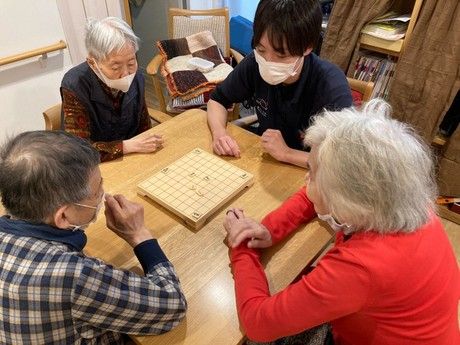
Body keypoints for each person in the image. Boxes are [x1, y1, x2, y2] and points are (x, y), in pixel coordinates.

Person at [223, 99, 460, 344]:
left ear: (347, 201)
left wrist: (241, 245)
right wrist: (269, 229)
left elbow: (258, 324)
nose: (306, 179)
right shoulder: (403, 197)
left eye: (312, 173)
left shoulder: (361, 266)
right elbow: (315, 193)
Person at [0, 131, 187, 344]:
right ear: (63, 216)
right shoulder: (74, 276)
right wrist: (139, 235)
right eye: (97, 191)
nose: (103, 195)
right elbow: (173, 305)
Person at [207, 0, 352, 168]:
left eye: (281, 55)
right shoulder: (255, 62)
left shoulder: (330, 85)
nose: (268, 61)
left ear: (307, 48)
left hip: (308, 174)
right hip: (266, 159)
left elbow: (340, 162)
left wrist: (287, 153)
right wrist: (219, 133)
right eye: (261, 49)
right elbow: (217, 100)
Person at [61, 17, 163, 162]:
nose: (126, 73)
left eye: (131, 62)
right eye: (115, 67)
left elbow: (143, 126)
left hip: (133, 157)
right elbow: (77, 149)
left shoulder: (137, 76)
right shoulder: (75, 84)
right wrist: (127, 146)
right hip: (96, 165)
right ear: (93, 63)